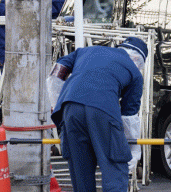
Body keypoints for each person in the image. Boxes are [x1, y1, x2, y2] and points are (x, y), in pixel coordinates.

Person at [50, 37, 148, 192]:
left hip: (70, 108)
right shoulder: (135, 73)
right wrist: (131, 151)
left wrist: (55, 102)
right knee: (115, 167)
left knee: (81, 169)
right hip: (103, 110)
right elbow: (129, 117)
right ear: (138, 59)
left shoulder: (87, 51)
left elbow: (58, 69)